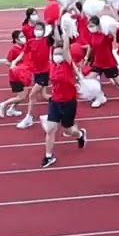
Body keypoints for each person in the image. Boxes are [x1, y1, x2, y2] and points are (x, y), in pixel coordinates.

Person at [40, 36, 88, 168]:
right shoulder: (52, 64)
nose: (57, 55)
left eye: (60, 53)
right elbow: (51, 47)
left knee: (69, 129)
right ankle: (48, 156)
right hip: (55, 101)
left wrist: (66, 32)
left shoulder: (68, 64)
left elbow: (66, 49)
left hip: (68, 102)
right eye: (55, 53)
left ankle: (80, 134)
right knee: (50, 129)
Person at [85, 17, 119, 108]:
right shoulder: (91, 35)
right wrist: (87, 58)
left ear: (98, 25)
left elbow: (114, 36)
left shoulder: (106, 35)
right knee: (89, 79)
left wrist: (111, 29)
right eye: (89, 25)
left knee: (118, 82)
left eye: (92, 26)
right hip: (97, 63)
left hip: (108, 63)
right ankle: (100, 97)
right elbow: (90, 47)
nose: (90, 27)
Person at [17, 22, 52, 129]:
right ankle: (62, 102)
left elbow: (56, 36)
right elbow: (24, 53)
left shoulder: (47, 41)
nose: (38, 31)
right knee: (44, 96)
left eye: (40, 29)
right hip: (36, 72)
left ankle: (29, 118)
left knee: (32, 94)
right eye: (36, 29)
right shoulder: (31, 42)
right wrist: (15, 61)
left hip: (45, 72)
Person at [0, 30, 29, 118]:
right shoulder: (14, 50)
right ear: (16, 39)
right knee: (22, 96)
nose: (24, 38)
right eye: (21, 37)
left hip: (23, 75)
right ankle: (2, 104)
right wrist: (15, 66)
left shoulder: (24, 47)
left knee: (22, 95)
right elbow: (7, 62)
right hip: (16, 76)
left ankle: (11, 109)